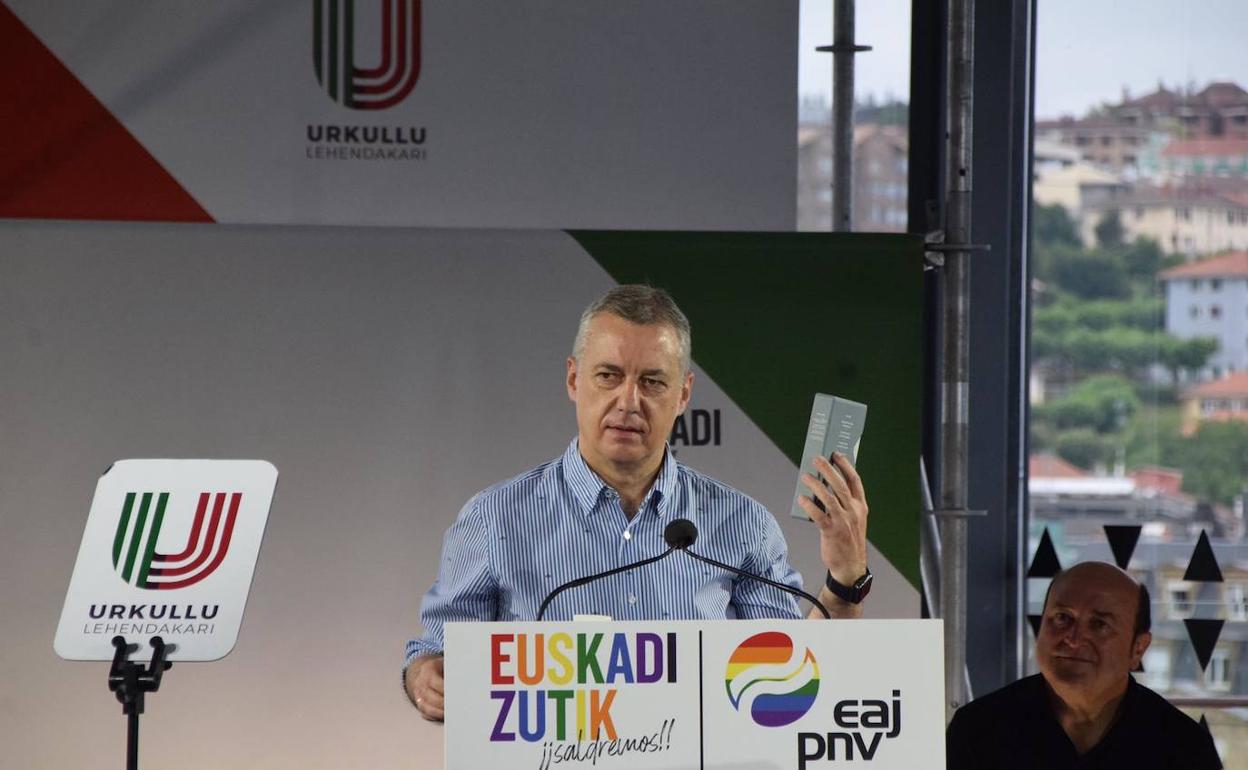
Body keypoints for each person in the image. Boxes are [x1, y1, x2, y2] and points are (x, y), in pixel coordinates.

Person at [403, 285, 872, 721]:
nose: (628, 401)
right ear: (573, 379)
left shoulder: (743, 525)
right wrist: (425, 677)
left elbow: (793, 682)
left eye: (652, 382)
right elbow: (438, 654)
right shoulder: (494, 519)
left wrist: (844, 580)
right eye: (609, 376)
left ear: (683, 394)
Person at [946, 561, 1222, 769]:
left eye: (1099, 624)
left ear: (1138, 648)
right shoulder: (979, 730)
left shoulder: (1184, 748)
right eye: (1062, 618)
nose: (1073, 638)